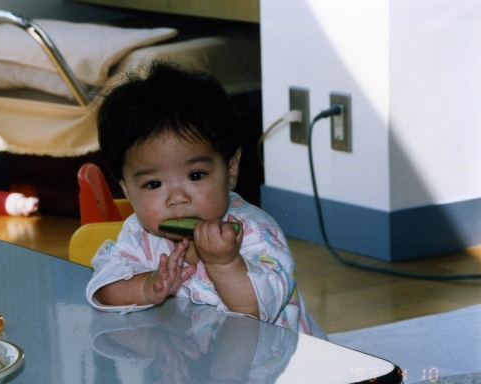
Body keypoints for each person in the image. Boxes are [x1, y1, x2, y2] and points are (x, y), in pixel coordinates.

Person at [85, 62, 326, 339]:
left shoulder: (253, 233)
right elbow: (103, 290)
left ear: (231, 170)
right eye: (153, 184)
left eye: (196, 175)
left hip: (276, 359)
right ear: (128, 191)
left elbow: (256, 315)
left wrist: (225, 263)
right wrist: (146, 287)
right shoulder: (138, 234)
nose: (177, 198)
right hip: (194, 358)